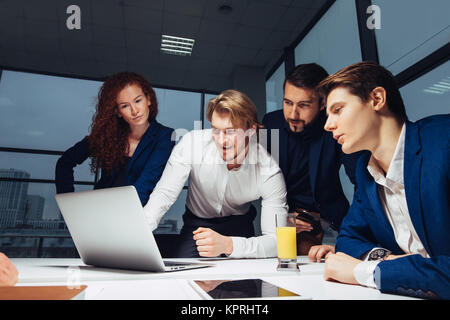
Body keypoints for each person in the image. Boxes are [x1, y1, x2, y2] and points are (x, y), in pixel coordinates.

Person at [315, 61, 449, 299]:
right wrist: (386, 259)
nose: (328, 125)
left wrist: (367, 271)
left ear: (377, 99)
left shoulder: (443, 142)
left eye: (337, 110)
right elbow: (347, 240)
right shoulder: (365, 172)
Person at [143, 89, 288, 258]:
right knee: (186, 276)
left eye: (231, 131)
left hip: (239, 225)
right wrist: (138, 234)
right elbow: (164, 194)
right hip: (197, 224)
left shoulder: (269, 170)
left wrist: (230, 245)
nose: (221, 140)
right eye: (216, 130)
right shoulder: (192, 144)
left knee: (244, 282)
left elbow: (277, 242)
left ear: (252, 129)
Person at [262, 64, 362, 255]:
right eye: (288, 103)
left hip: (334, 216)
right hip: (294, 218)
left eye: (304, 105)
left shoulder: (336, 126)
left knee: (351, 258)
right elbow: (259, 179)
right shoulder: (271, 124)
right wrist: (283, 216)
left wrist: (353, 227)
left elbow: (362, 182)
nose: (293, 114)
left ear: (322, 103)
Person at [55, 72, 175, 206]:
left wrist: (126, 216)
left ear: (148, 99)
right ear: (117, 112)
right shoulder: (108, 135)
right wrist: (68, 203)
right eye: (125, 106)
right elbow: (64, 162)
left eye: (138, 100)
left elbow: (147, 182)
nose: (134, 111)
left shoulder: (165, 136)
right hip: (98, 210)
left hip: (134, 215)